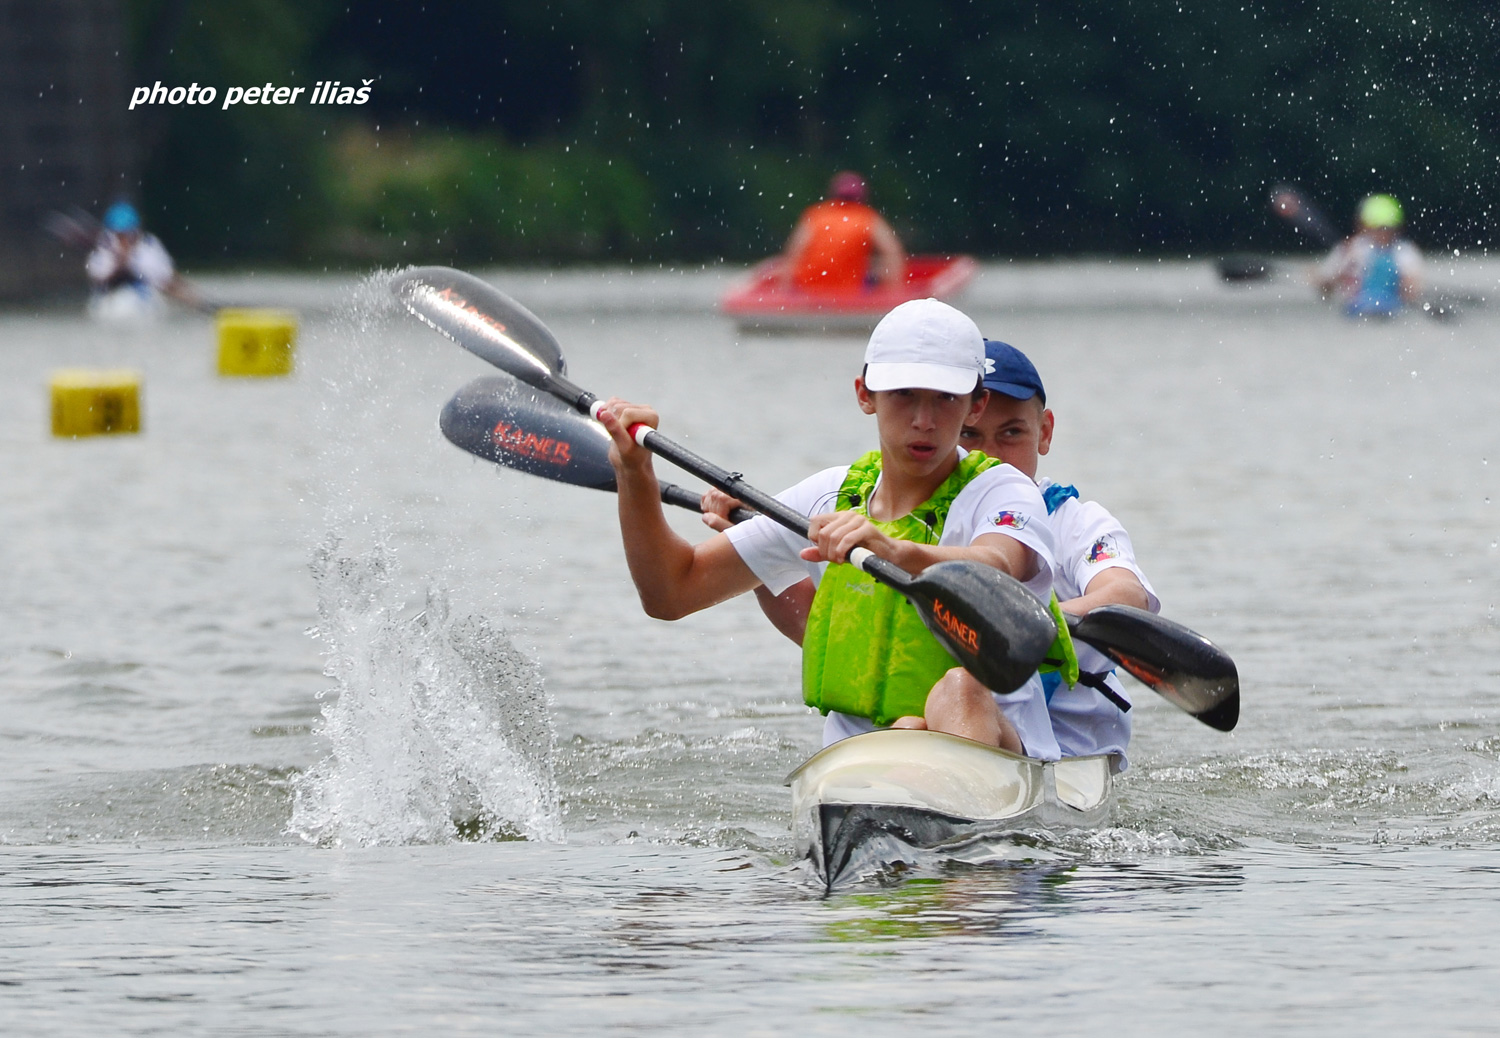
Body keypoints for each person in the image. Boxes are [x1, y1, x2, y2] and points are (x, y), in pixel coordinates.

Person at [596, 299, 1062, 759]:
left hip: (1005, 756)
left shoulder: (1003, 492)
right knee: (907, 728)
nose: (924, 421)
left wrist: (894, 549)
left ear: (976, 406)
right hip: (861, 759)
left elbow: (998, 564)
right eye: (904, 395)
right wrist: (635, 474)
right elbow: (670, 593)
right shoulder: (827, 497)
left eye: (946, 398)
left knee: (958, 690)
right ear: (864, 394)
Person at [703, 339, 1159, 772]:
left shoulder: (1074, 521)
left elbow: (1124, 596)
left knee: (954, 696)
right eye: (970, 436)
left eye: (1012, 433)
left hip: (1071, 750)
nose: (991, 455)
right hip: (953, 722)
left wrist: (1018, 619)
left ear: (1045, 432)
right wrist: (761, 559)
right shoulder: (918, 523)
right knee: (909, 725)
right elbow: (821, 629)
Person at [780, 171, 905, 293]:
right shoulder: (867, 218)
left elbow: (794, 253)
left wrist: (785, 288)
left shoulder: (816, 215)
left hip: (810, 288)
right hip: (849, 290)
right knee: (877, 268)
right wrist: (894, 289)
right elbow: (892, 252)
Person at [1315, 193, 1423, 317]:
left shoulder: (1405, 252)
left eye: (1387, 229)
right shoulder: (1350, 249)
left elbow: (1412, 291)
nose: (1383, 234)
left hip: (1391, 308)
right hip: (1356, 309)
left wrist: (1404, 285)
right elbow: (1325, 289)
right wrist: (1341, 274)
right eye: (1379, 229)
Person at [85, 201, 198, 309]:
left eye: (128, 234)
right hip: (111, 299)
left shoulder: (149, 246)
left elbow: (167, 279)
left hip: (144, 298)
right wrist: (123, 263)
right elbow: (99, 279)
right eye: (120, 235)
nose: (124, 240)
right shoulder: (102, 251)